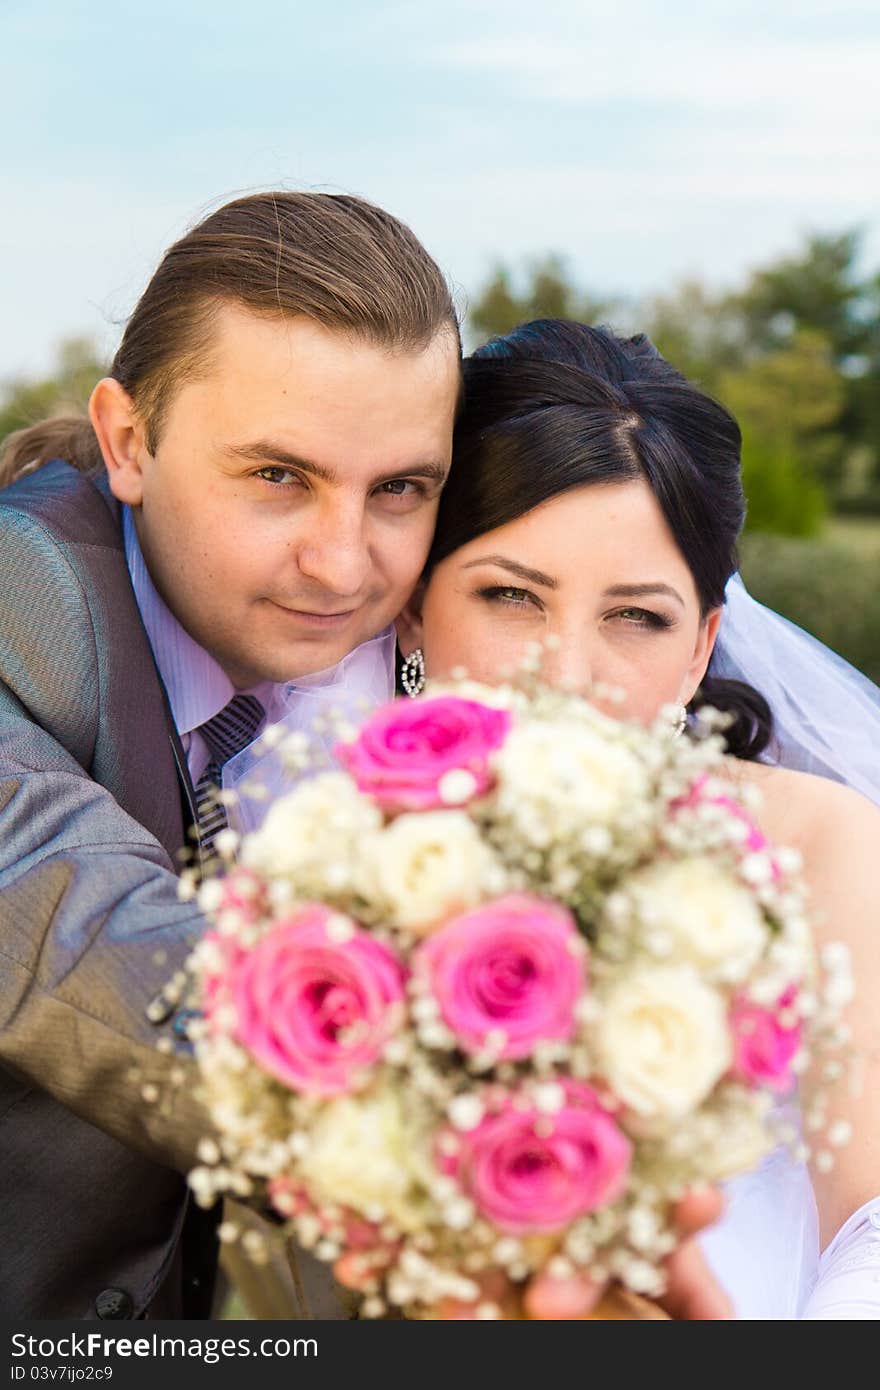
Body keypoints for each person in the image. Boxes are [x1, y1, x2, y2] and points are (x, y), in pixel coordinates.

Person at [0, 189, 461, 1319]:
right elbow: (77, 928)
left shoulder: (431, 652)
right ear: (127, 442)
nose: (344, 564)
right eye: (277, 477)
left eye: (400, 488)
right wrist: (473, 1158)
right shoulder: (22, 615)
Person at [395, 319, 880, 1318]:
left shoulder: (812, 842)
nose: (567, 675)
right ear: (411, 607)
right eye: (510, 597)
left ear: (703, 644)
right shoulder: (304, 842)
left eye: (636, 617)